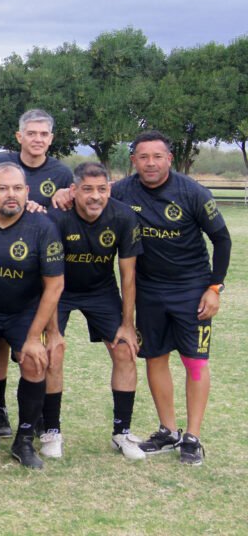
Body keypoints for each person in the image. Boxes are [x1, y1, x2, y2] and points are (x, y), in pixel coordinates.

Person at [111, 131, 230, 465]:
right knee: (155, 358)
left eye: (157, 156)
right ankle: (168, 430)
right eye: (143, 157)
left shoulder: (192, 192)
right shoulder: (121, 191)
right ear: (133, 160)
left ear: (169, 159)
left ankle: (192, 437)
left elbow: (221, 239)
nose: (151, 163)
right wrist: (65, 193)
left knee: (195, 361)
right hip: (149, 291)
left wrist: (214, 288)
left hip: (192, 290)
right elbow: (89, 196)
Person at [0, 162, 64, 469]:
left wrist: (34, 337)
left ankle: (24, 440)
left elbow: (55, 285)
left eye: (17, 188)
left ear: (27, 192)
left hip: (24, 312)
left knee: (34, 361)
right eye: (3, 189)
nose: (11, 195)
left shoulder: (43, 227)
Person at [0, 109, 73, 439]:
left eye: (44, 134)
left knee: (42, 352)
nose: (37, 139)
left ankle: (41, 422)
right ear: (19, 136)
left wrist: (62, 197)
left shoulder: (61, 173)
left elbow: (76, 205)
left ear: (51, 138)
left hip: (38, 277)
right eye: (31, 133)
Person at [45, 162, 143, 460]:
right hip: (60, 290)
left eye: (101, 189)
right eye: (87, 189)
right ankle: (51, 430)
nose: (95, 196)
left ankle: (121, 432)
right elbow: (49, 277)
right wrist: (52, 331)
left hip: (101, 291)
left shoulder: (124, 217)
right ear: (73, 190)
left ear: (109, 190)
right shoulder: (57, 217)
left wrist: (128, 324)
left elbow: (128, 275)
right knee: (52, 353)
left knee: (125, 350)